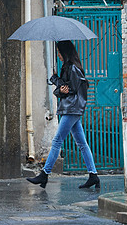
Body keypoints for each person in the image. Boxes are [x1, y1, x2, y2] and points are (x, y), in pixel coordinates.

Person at [27, 40, 100, 189]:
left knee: (57, 141)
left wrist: (59, 86)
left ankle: (44, 174)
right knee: (82, 143)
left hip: (71, 109)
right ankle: (93, 175)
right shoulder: (69, 67)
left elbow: (70, 89)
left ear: (65, 52)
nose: (59, 55)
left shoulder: (73, 68)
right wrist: (57, 81)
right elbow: (65, 88)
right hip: (72, 109)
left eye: (60, 52)